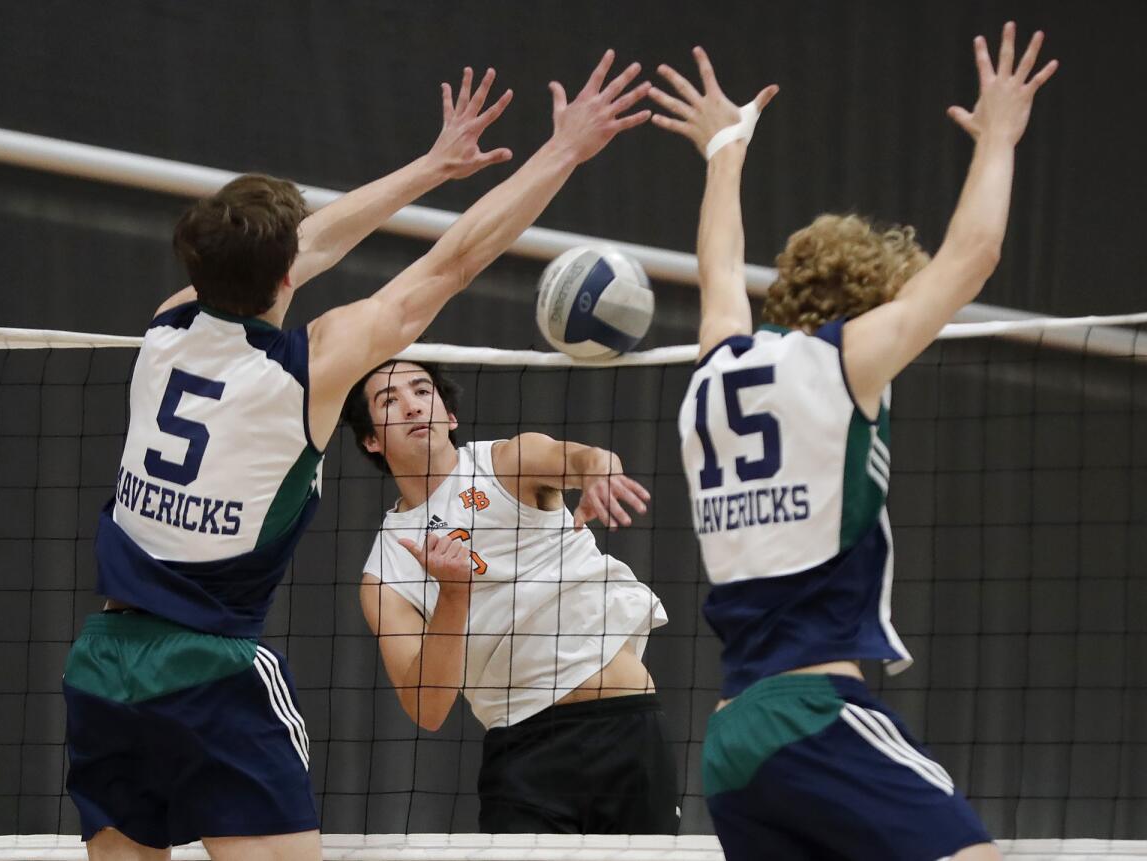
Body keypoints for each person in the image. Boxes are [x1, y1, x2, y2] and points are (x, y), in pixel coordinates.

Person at [62, 53, 653, 861]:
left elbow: (301, 247)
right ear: (284, 275)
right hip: (208, 664)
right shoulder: (305, 370)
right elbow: (454, 261)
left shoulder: (167, 325)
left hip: (102, 664)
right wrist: (563, 151)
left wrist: (430, 166)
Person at [650, 25, 1056, 861]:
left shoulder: (716, 365)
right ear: (871, 304)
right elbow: (974, 256)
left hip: (733, 742)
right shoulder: (847, 361)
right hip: (815, 719)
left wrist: (726, 150)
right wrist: (1001, 139)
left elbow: (719, 270)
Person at [348, 359, 676, 834]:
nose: (413, 407)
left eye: (422, 391)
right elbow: (429, 707)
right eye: (390, 401)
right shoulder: (384, 572)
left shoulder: (508, 462)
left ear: (450, 415)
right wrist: (454, 596)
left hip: (624, 726)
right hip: (523, 757)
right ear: (371, 440)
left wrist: (599, 473)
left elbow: (584, 457)